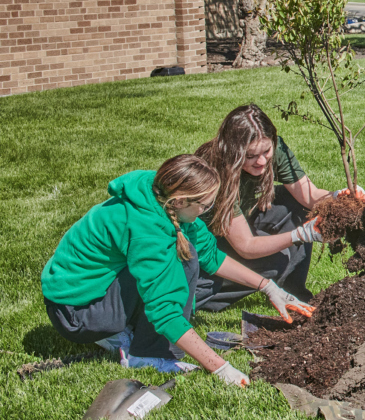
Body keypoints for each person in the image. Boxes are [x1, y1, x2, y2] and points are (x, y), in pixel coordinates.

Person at [42, 154, 314, 380]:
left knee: (190, 254)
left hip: (88, 295)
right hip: (77, 313)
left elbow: (211, 256)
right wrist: (220, 367)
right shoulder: (148, 230)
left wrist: (268, 287)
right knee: (183, 260)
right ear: (181, 201)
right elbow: (165, 312)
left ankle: (121, 333)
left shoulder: (161, 195)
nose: (205, 212)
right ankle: (146, 354)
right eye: (204, 206)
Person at [193, 104, 365, 312]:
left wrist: (340, 196)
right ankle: (214, 292)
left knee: (299, 207)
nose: (261, 161)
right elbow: (245, 247)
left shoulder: (275, 149)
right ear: (233, 152)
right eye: (250, 156)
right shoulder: (215, 171)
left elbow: (308, 195)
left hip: (245, 216)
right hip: (209, 241)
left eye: (266, 151)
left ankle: (294, 291)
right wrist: (299, 235)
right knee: (276, 260)